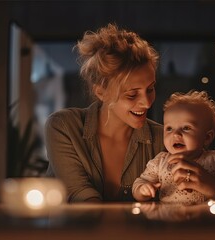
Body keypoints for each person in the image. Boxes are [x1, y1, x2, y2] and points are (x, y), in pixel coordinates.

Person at [45, 23, 164, 202]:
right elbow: (81, 196)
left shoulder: (163, 139)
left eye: (150, 89)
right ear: (101, 92)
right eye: (132, 94)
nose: (146, 103)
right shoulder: (64, 127)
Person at [132, 90, 215, 203]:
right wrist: (142, 190)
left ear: (207, 137)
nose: (176, 134)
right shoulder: (160, 161)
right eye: (169, 128)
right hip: (169, 218)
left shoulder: (214, 160)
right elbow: (140, 182)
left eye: (186, 128)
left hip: (205, 217)